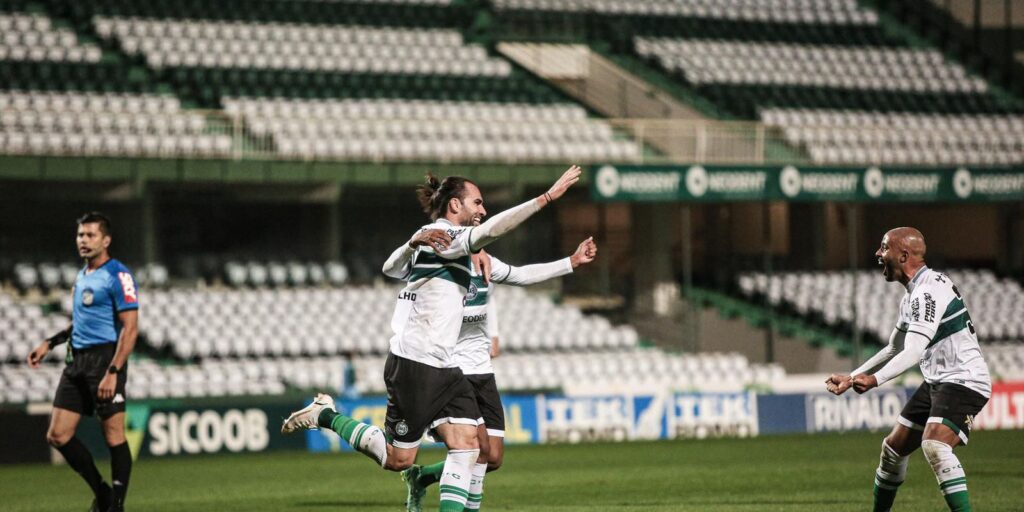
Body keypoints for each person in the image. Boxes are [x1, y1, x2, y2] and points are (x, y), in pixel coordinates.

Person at [281, 165, 582, 512]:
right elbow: (489, 231)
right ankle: (326, 415)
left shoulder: (441, 241)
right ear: (455, 205)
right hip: (416, 362)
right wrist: (545, 198)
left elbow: (392, 268)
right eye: (477, 203)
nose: (482, 211)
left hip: (445, 364)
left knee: (469, 445)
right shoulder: (444, 236)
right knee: (399, 459)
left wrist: (411, 244)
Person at [382, 230, 597, 512]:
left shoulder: (484, 262)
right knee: (474, 449)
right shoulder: (437, 265)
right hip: (449, 368)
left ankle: (421, 477)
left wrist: (571, 261)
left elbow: (516, 278)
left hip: (480, 368)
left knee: (493, 456)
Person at [825, 227, 991, 512]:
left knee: (935, 445)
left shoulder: (927, 292)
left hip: (964, 380)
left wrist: (875, 380)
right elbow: (894, 348)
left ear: (903, 255)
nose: (878, 254)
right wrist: (852, 377)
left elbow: (913, 351)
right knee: (892, 451)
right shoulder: (912, 296)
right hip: (938, 382)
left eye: (884, 248)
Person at [27, 212, 140, 512]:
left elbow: (131, 328)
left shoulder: (118, 275)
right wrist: (50, 343)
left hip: (105, 360)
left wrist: (113, 371)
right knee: (58, 435)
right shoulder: (82, 275)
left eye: (90, 235)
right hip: (76, 360)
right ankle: (102, 492)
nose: (84, 241)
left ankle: (116, 504)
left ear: (106, 240)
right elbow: (80, 323)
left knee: (113, 434)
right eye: (80, 235)